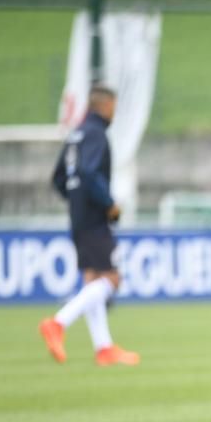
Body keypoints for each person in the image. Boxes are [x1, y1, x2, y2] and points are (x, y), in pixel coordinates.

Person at [39, 84, 140, 367]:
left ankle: (104, 348)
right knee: (111, 279)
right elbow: (88, 171)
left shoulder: (76, 135)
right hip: (95, 219)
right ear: (105, 106)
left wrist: (76, 200)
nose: (115, 113)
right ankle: (58, 323)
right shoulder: (96, 134)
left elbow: (60, 179)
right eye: (114, 107)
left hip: (78, 217)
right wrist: (108, 202)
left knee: (93, 279)